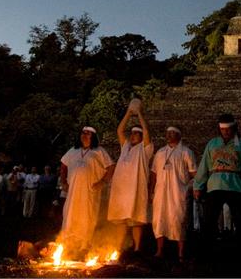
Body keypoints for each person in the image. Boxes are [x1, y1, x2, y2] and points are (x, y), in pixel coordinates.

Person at [193, 112, 241, 246]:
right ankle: (206, 251)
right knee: (209, 219)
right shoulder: (212, 143)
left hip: (235, 185)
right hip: (215, 184)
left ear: (233, 128)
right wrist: (198, 185)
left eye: (228, 129)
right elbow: (204, 164)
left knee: (239, 220)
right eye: (222, 129)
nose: (225, 132)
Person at [59, 126, 115, 258]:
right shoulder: (73, 150)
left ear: (93, 137)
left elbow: (111, 166)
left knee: (87, 217)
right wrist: (63, 181)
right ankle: (67, 246)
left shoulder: (99, 151)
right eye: (83, 133)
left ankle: (83, 248)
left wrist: (102, 182)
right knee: (70, 215)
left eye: (88, 134)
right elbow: (63, 165)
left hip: (89, 192)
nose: (84, 136)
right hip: (73, 192)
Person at [107, 104, 154, 252]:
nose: (132, 135)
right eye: (132, 133)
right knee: (121, 220)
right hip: (121, 190)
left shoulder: (145, 149)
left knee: (136, 221)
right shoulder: (125, 146)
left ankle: (137, 249)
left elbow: (146, 131)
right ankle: (119, 248)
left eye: (136, 133)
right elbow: (119, 130)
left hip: (135, 190)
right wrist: (128, 113)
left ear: (141, 137)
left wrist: (139, 113)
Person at [149, 125, 197, 261]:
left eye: (172, 133)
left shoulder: (186, 152)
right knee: (159, 220)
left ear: (179, 135)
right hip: (160, 193)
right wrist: (151, 190)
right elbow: (153, 173)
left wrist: (190, 188)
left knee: (178, 220)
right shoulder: (159, 153)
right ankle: (159, 250)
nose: (168, 135)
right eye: (167, 133)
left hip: (178, 193)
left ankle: (181, 253)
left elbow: (194, 173)